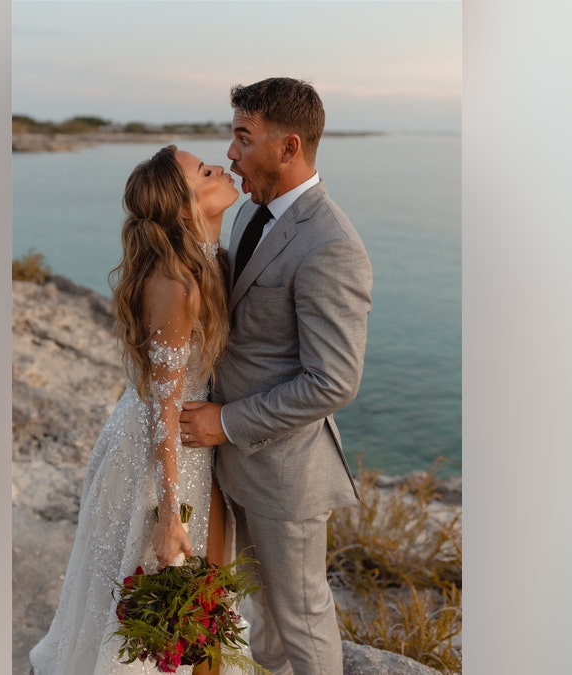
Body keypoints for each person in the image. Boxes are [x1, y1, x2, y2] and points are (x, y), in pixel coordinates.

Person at [179, 77, 373, 674]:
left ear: (289, 147)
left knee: (302, 616)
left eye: (243, 138)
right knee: (261, 616)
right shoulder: (250, 216)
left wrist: (226, 422)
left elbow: (333, 381)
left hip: (284, 473)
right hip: (236, 463)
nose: (231, 153)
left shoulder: (330, 246)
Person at [30, 145, 239, 674]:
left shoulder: (209, 260)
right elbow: (162, 409)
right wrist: (170, 515)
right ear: (184, 204)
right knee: (153, 600)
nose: (221, 168)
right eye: (205, 171)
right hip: (156, 454)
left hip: (190, 444)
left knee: (195, 601)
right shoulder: (175, 283)